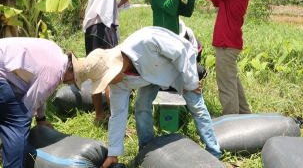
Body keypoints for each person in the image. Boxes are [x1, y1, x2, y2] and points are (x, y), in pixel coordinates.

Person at [72, 27, 222, 167]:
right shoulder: (117, 82)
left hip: (177, 65)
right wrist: (113, 152)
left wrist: (189, 81)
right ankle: (147, 150)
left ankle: (214, 151)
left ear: (115, 67)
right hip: (147, 75)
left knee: (196, 105)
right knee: (141, 106)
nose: (108, 84)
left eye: (107, 79)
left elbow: (179, 51)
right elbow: (117, 115)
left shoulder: (145, 41)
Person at [0, 37, 77, 168]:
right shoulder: (52, 76)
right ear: (71, 72)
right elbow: (28, 106)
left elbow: (38, 91)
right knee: (19, 120)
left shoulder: (55, 53)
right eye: (75, 79)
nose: (72, 83)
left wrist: (41, 119)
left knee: (10, 109)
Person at [82, 0, 136, 124]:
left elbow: (108, 7)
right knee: (108, 70)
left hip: (98, 26)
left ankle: (100, 115)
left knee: (97, 69)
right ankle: (115, 120)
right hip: (100, 27)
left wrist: (122, 1)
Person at [202, 0, 256, 115]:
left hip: (226, 42)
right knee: (232, 82)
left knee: (226, 87)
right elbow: (217, 0)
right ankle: (245, 116)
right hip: (230, 41)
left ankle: (233, 124)